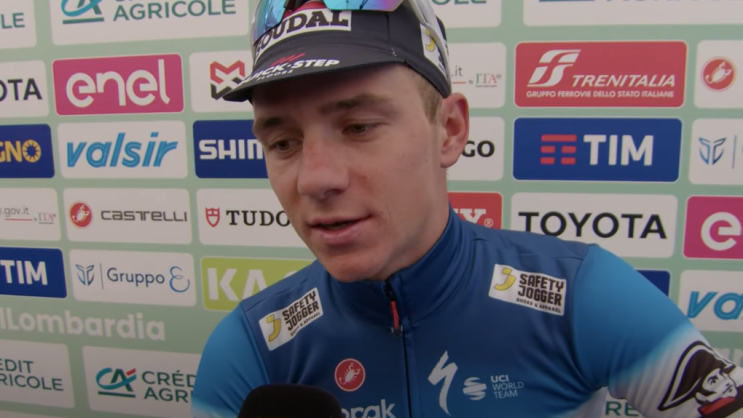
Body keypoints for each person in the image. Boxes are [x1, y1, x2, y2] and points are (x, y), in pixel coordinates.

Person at [191, 0, 743, 416]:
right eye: (282, 142)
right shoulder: (249, 347)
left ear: (450, 130)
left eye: (358, 127)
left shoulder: (584, 294)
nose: (315, 178)